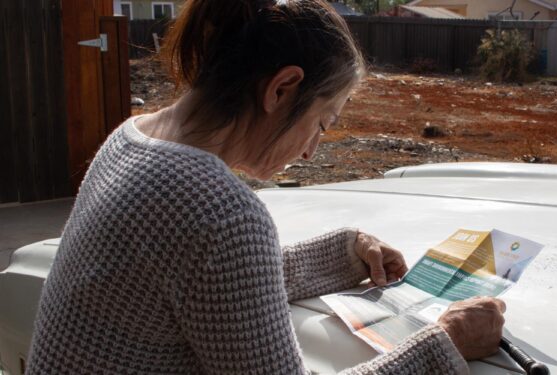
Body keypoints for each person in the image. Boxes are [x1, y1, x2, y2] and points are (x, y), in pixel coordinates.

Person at [26, 0, 506, 373]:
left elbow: (208, 290)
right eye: (322, 123)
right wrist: (444, 343)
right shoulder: (219, 212)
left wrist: (344, 253)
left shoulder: (131, 138)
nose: (311, 153)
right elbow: (213, 266)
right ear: (281, 89)